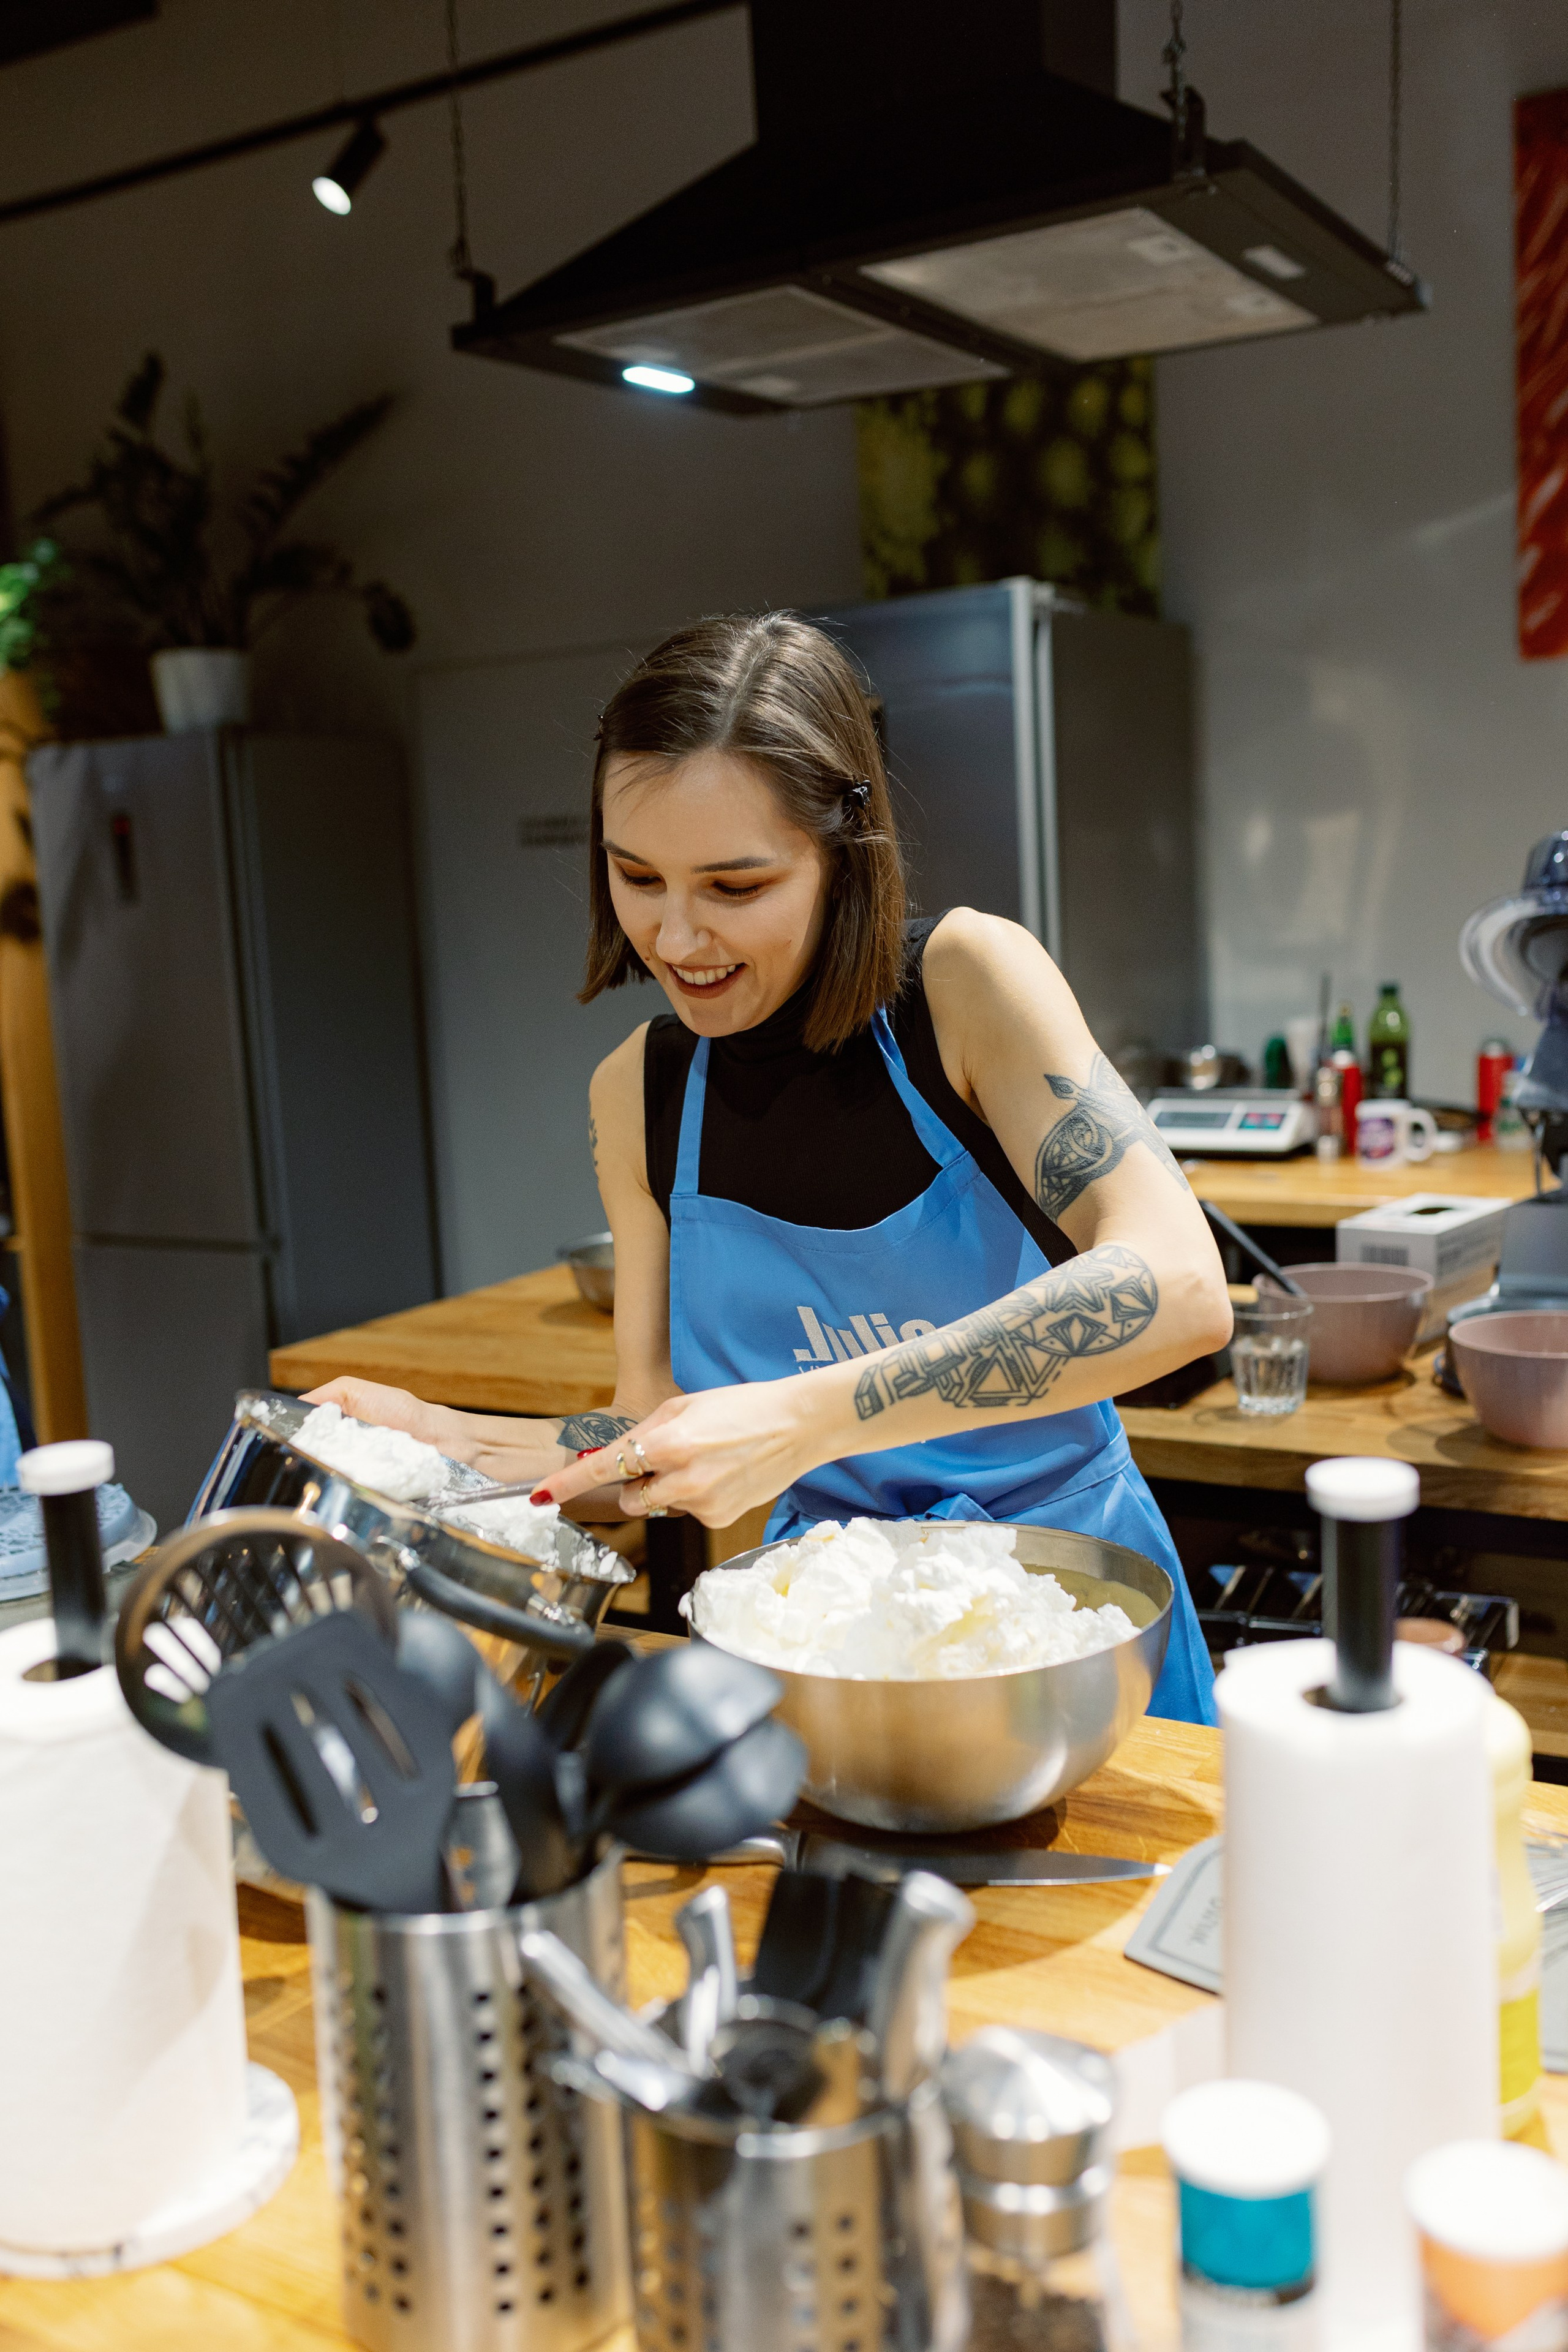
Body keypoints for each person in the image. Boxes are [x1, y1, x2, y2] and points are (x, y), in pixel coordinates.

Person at [312, 612, 1231, 1722]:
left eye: (735, 887)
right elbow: (652, 1436)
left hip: (1068, 1627)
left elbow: (1183, 1289)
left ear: (844, 852)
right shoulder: (639, 1096)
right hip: (827, 1643)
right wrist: (453, 1447)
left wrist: (805, 1419)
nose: (676, 938)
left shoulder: (965, 987)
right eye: (636, 876)